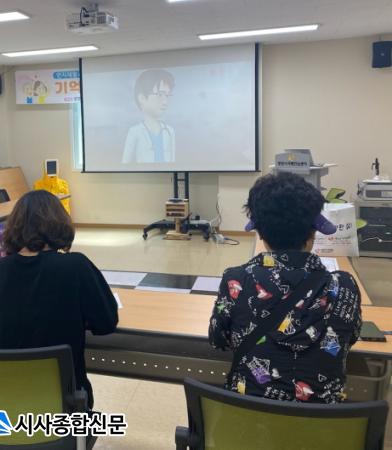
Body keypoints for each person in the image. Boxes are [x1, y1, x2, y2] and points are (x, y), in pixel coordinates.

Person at [209, 172, 362, 403]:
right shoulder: (344, 286)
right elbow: (350, 337)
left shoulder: (236, 280)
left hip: (246, 418)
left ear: (259, 232)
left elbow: (218, 339)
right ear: (314, 231)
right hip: (323, 422)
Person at [0, 190, 118, 411]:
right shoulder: (76, 266)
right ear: (60, 224)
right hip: (64, 405)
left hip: (6, 404)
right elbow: (106, 323)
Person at [121, 69, 176, 164]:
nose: (165, 101)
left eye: (167, 95)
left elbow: (173, 163)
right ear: (142, 98)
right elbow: (125, 163)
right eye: (160, 95)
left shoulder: (170, 131)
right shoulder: (134, 132)